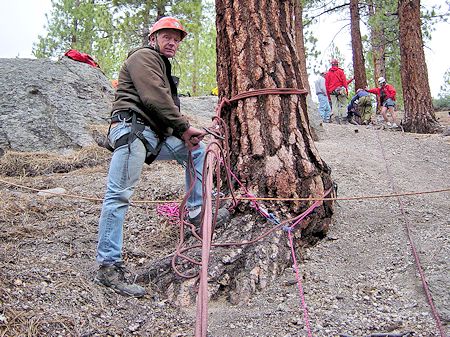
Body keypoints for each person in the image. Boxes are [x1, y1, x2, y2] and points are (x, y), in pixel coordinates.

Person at [94, 16, 229, 297]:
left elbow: (162, 106)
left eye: (177, 39)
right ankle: (108, 265)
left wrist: (184, 134)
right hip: (133, 131)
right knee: (118, 195)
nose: (173, 43)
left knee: (197, 151)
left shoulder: (160, 65)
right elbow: (154, 98)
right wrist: (183, 127)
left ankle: (196, 212)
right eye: (167, 36)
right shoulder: (143, 57)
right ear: (153, 39)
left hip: (151, 135)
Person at [325, 59, 349, 124]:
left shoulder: (328, 74)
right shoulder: (340, 72)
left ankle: (336, 119)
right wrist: (346, 91)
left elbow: (326, 86)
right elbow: (344, 82)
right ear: (337, 64)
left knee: (334, 105)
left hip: (332, 91)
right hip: (340, 90)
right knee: (343, 104)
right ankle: (344, 119)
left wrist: (328, 96)